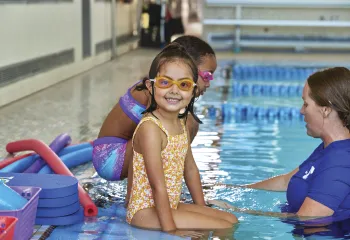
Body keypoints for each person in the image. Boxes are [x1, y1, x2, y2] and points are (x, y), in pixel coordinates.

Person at [210, 67, 350, 223]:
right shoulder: (329, 148)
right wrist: (234, 188)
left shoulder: (341, 162)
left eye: (306, 104)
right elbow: (286, 180)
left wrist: (235, 211)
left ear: (325, 110)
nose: (301, 111)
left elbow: (307, 218)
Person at [126, 42, 237, 238]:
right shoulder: (150, 129)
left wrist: (201, 208)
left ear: (193, 90)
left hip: (170, 205)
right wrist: (172, 231)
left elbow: (191, 169)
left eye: (183, 84)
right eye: (165, 82)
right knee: (223, 227)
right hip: (143, 212)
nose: (174, 90)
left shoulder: (181, 121)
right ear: (151, 86)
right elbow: (157, 185)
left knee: (230, 220)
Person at [92, 35, 216, 184]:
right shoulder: (154, 93)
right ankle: (155, 189)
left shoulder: (165, 91)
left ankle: (165, 186)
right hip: (109, 158)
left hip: (124, 152)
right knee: (183, 124)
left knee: (187, 122)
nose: (208, 84)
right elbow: (147, 138)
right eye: (207, 76)